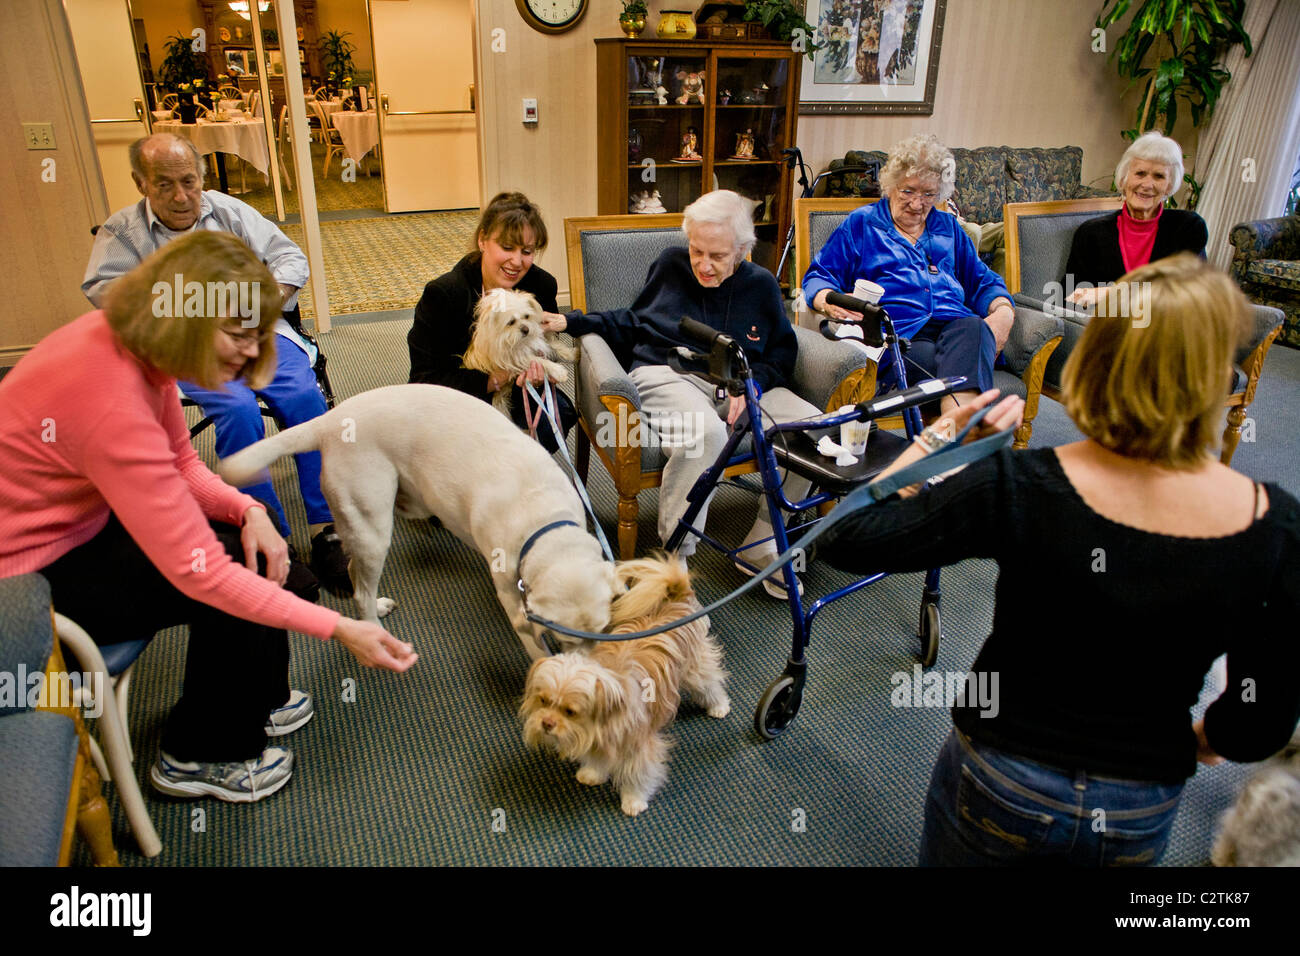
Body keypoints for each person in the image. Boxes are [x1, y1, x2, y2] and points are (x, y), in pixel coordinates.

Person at [818, 253, 1300, 866]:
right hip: (1141, 794)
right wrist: (1209, 737)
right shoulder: (1276, 525)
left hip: (1005, 775)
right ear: (1218, 376)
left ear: (1097, 360)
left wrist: (930, 444)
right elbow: (1262, 719)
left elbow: (847, 535)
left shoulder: (1021, 484)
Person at [1, 232, 417, 802]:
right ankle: (198, 753)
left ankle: (256, 694)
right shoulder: (110, 397)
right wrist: (342, 629)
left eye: (257, 335)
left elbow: (179, 462)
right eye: (239, 335)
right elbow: (201, 574)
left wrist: (248, 509)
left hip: (84, 519)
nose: (251, 352)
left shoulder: (139, 346)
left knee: (273, 564)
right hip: (30, 576)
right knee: (233, 578)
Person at [82, 133, 351, 593]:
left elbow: (289, 257)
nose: (182, 196)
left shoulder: (228, 211)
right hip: (187, 344)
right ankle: (270, 536)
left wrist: (264, 301)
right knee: (238, 410)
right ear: (140, 183)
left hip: (252, 328)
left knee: (304, 398)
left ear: (202, 177)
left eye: (189, 181)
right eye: (164, 185)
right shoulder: (122, 231)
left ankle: (325, 528)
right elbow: (105, 290)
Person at [541, 189, 820, 597]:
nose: (703, 265)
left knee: (815, 429)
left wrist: (752, 383)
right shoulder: (671, 265)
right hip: (668, 374)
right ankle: (674, 567)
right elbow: (635, 321)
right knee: (704, 434)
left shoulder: (760, 285)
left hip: (740, 383)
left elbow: (782, 352)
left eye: (717, 256)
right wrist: (572, 322)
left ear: (743, 250)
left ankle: (763, 541)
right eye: (697, 251)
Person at [802, 134, 1016, 417]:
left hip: (955, 327)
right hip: (899, 334)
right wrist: (826, 301)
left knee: (976, 328)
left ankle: (950, 436)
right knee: (948, 358)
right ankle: (958, 437)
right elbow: (819, 275)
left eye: (928, 194)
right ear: (891, 186)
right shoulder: (864, 224)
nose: (917, 203)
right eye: (908, 191)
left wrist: (1003, 310)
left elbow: (982, 280)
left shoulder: (947, 227)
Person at [408, 191, 577, 454]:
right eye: (507, 247)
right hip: (462, 393)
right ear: (483, 240)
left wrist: (539, 373)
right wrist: (496, 379)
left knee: (553, 420)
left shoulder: (541, 285)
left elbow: (548, 349)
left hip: (521, 390)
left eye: (527, 251)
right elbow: (423, 380)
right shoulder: (444, 294)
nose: (517, 262)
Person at [1064, 130, 1207, 308]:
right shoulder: (1091, 233)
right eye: (1140, 173)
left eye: (1159, 176)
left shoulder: (1188, 228)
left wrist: (1111, 292)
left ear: (1169, 186)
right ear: (1123, 179)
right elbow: (1069, 298)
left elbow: (1188, 291)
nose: (1147, 185)